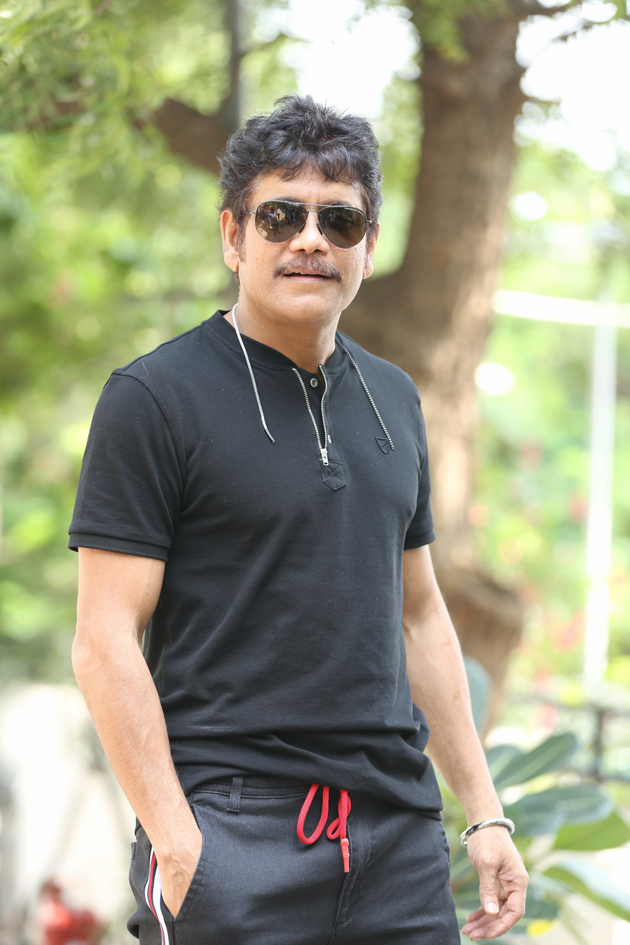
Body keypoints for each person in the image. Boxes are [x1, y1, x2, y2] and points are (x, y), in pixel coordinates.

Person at [69, 94, 528, 945]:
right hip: (232, 832)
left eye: (338, 220)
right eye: (280, 216)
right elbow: (103, 641)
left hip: (395, 839)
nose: (310, 239)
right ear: (233, 235)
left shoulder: (395, 397)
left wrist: (483, 811)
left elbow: (420, 613)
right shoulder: (153, 399)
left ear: (368, 246)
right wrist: (180, 844)